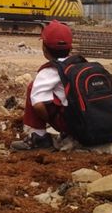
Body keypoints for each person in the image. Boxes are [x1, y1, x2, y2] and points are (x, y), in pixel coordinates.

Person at [11, 20, 75, 151]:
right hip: (93, 123)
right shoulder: (79, 65)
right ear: (71, 48)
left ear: (44, 48)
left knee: (32, 88)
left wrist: (51, 121)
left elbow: (38, 105)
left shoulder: (49, 71)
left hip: (73, 125)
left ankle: (38, 136)